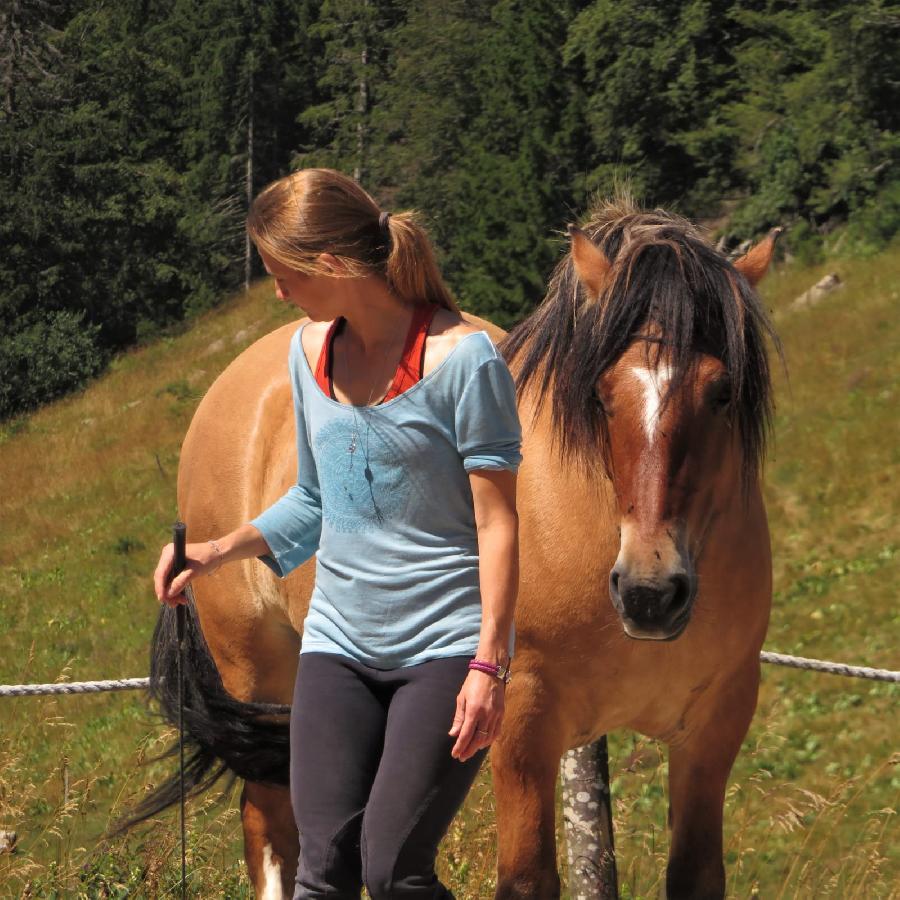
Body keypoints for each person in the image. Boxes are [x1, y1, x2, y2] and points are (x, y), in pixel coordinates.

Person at [153, 168, 522, 899]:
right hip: (337, 650)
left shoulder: (463, 362)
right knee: (322, 874)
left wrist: (489, 668)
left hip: (442, 654)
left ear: (329, 265)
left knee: (391, 873)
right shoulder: (307, 352)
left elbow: (498, 524)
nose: (280, 293)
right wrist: (217, 549)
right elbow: (318, 502)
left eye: (285, 275)